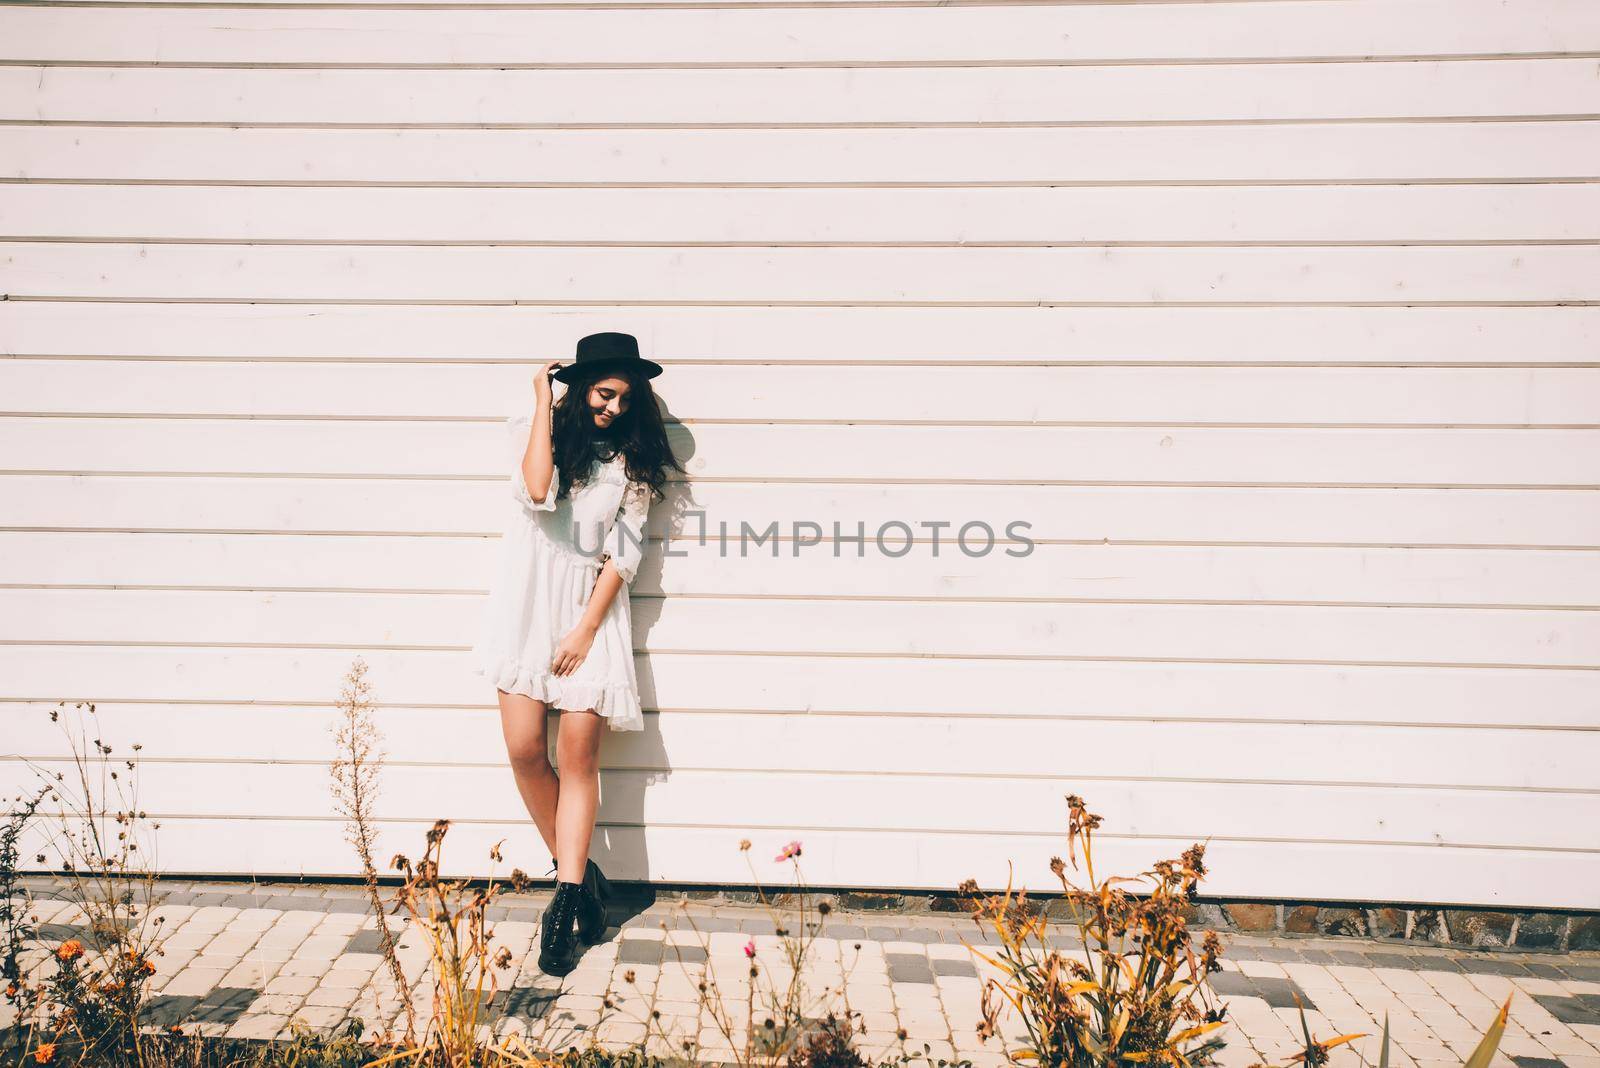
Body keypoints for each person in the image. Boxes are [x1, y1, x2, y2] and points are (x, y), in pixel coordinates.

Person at [469, 331, 682, 976]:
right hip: (527, 607)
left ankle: (562, 906)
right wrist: (542, 398)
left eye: (623, 397)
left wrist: (586, 629)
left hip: (588, 614)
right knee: (524, 749)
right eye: (602, 393)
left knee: (576, 757)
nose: (612, 408)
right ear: (578, 387)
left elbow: (625, 554)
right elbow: (538, 493)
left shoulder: (633, 467)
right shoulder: (536, 431)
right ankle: (584, 874)